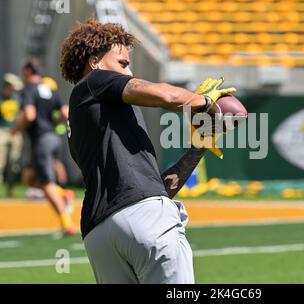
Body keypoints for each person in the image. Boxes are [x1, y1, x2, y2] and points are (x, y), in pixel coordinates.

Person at [60, 18, 235, 283]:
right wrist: (205, 102)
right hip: (143, 220)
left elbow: (152, 189)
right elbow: (164, 96)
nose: (128, 73)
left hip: (99, 234)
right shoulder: (96, 81)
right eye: (122, 63)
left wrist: (199, 147)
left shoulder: (88, 114)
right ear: (94, 63)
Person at [19, 59, 77, 236]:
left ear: (28, 71)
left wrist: (16, 128)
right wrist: (54, 123)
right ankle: (62, 194)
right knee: (28, 178)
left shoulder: (29, 89)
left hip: (41, 140)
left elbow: (29, 115)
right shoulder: (49, 89)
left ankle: (67, 224)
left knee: (46, 183)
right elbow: (66, 113)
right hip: (52, 138)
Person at [0, 73, 23, 196]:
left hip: (15, 132)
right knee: (0, 162)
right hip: (2, 130)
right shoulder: (1, 98)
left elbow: (21, 115)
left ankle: (10, 189)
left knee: (13, 163)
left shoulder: (17, 99)